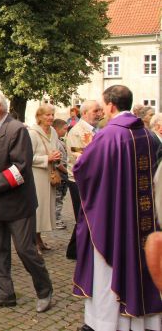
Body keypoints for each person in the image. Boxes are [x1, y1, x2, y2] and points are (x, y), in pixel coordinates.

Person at [73, 86, 161, 331]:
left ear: (111, 105)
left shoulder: (108, 135)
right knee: (140, 263)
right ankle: (143, 321)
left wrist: (82, 159)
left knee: (107, 271)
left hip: (113, 215)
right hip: (142, 215)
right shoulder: (146, 133)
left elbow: (84, 170)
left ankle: (107, 323)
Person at [0, 89, 53, 312]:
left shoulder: (17, 130)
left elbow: (20, 169)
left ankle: (44, 290)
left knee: (26, 251)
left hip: (16, 204)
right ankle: (4, 293)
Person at [65, 99, 102, 260]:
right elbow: (80, 157)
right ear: (84, 113)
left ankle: (75, 250)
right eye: (96, 111)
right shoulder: (76, 131)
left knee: (86, 215)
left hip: (93, 180)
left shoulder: (98, 129)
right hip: (79, 180)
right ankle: (75, 251)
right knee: (83, 216)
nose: (100, 114)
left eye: (100, 110)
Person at [27, 104, 60, 253]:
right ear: (39, 116)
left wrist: (57, 156)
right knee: (38, 208)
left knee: (47, 207)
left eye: (52, 114)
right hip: (37, 175)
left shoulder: (53, 131)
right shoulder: (32, 133)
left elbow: (57, 148)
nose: (51, 117)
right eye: (47, 115)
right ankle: (32, 242)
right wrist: (47, 158)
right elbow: (27, 157)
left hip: (50, 173)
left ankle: (39, 238)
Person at [51, 119, 68, 230]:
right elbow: (58, 162)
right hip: (61, 173)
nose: (66, 131)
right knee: (58, 197)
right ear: (56, 129)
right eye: (64, 129)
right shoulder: (56, 143)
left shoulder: (60, 141)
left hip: (63, 173)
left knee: (60, 196)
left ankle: (56, 218)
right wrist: (67, 171)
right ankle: (56, 219)